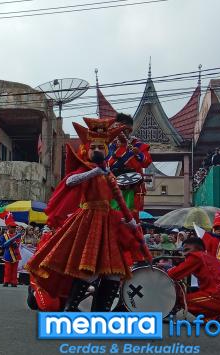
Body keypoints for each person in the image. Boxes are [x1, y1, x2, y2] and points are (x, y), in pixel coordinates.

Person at [26, 117, 147, 312]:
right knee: (88, 268)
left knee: (113, 272)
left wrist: (129, 221)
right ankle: (70, 308)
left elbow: (119, 200)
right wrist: (94, 172)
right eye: (94, 147)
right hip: (88, 221)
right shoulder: (87, 169)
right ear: (87, 150)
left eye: (101, 147)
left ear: (106, 150)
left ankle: (100, 312)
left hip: (109, 222)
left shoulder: (109, 175)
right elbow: (69, 182)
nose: (97, 151)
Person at [106, 113, 152, 220]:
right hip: (112, 187)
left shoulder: (137, 145)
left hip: (132, 188)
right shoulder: (109, 146)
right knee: (111, 217)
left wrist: (138, 154)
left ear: (129, 129)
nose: (118, 132)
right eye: (116, 128)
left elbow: (146, 162)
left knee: (129, 218)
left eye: (122, 128)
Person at [168, 237, 220, 321]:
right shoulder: (208, 256)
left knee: (183, 300)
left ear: (198, 249)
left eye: (187, 250)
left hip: (218, 294)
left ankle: (217, 316)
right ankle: (215, 317)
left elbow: (173, 274)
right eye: (183, 251)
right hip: (218, 293)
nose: (185, 254)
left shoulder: (196, 256)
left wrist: (162, 272)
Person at [0, 213, 22, 287]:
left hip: (15, 254)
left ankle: (14, 282)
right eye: (12, 227)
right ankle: (6, 281)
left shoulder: (17, 235)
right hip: (8, 254)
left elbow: (17, 244)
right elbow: (3, 245)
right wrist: (9, 242)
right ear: (8, 227)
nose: (14, 228)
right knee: (7, 269)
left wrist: (15, 243)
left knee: (15, 270)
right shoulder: (3, 236)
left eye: (15, 227)